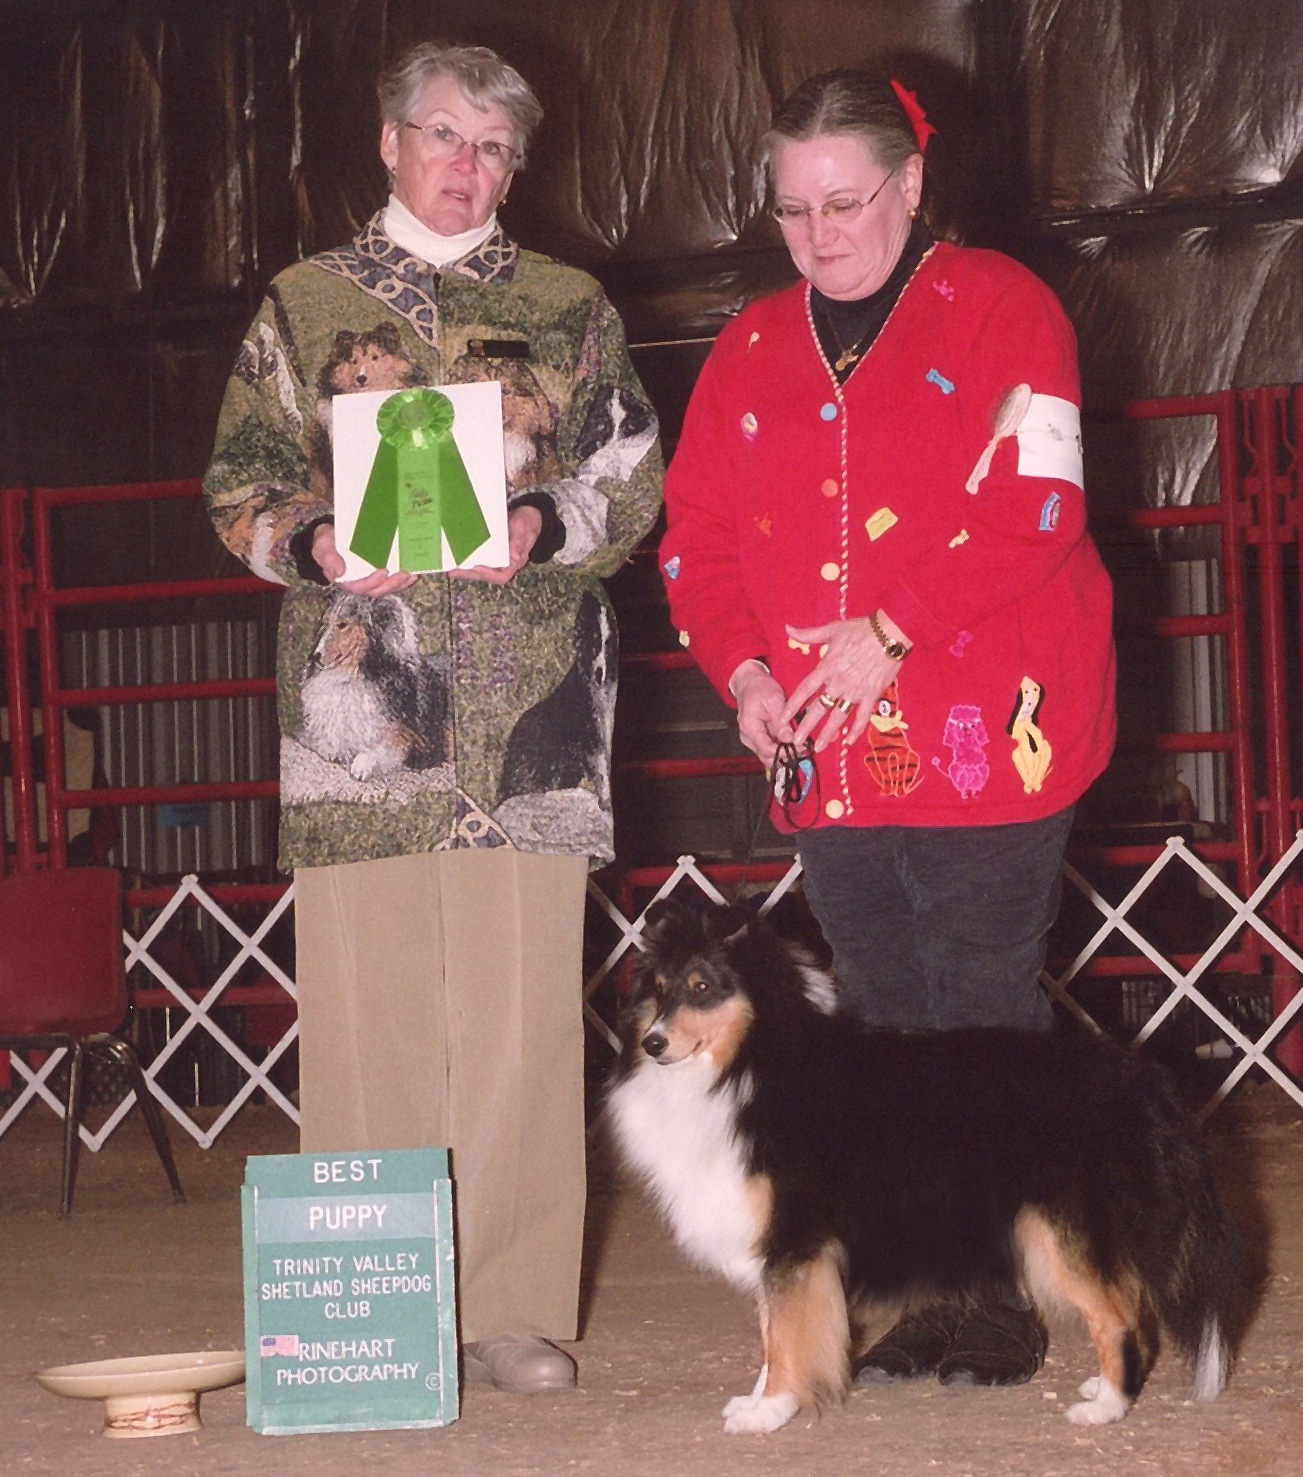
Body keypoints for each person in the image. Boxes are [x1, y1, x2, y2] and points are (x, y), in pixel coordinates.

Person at [205, 41, 662, 1395]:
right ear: (391, 142)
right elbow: (238, 479)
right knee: (371, 1013)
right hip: (360, 722)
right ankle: (377, 1308)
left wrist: (545, 522)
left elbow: (634, 476)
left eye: (496, 148)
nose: (470, 166)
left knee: (526, 1017)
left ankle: (511, 1306)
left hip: (535, 716)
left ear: (516, 168)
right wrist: (312, 542)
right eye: (448, 136)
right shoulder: (300, 305)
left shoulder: (570, 304)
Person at [660, 71, 1115, 1388]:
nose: (818, 234)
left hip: (994, 725)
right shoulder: (749, 348)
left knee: (977, 1005)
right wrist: (745, 673)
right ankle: (932, 1282)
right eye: (793, 209)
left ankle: (1002, 1290)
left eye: (846, 202)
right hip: (828, 748)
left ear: (910, 184)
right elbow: (698, 540)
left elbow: (1040, 503)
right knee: (883, 1011)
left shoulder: (1006, 308)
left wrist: (892, 628)